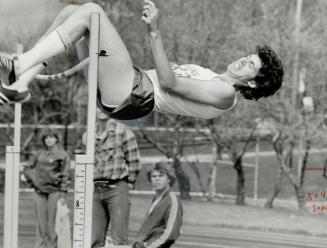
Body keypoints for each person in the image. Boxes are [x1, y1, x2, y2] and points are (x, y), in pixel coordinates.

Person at [0, 0, 284, 120]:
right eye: (246, 57)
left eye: (249, 65)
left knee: (92, 12)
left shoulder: (225, 93)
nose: (241, 61)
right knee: (71, 12)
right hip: (126, 88)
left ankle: (21, 64)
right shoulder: (213, 76)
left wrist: (154, 31)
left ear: (254, 84)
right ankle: (21, 83)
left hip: (135, 94)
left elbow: (169, 83)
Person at [84, 109, 141, 247]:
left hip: (117, 188)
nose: (101, 110)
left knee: (119, 238)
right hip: (96, 189)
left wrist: (130, 181)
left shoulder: (123, 131)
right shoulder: (88, 134)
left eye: (104, 106)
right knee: (94, 238)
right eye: (97, 106)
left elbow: (133, 159)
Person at [22, 128, 71, 248]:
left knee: (53, 224)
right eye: (46, 137)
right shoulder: (39, 154)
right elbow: (27, 167)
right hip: (39, 193)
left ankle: (52, 245)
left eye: (52, 137)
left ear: (56, 139)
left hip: (54, 193)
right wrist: (32, 180)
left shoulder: (62, 155)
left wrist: (63, 193)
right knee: (41, 224)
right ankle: (40, 246)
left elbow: (66, 174)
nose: (49, 140)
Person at [132, 161, 183, 248]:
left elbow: (171, 233)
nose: (157, 179)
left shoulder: (172, 200)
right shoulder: (157, 199)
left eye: (161, 176)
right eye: (153, 176)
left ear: (169, 179)